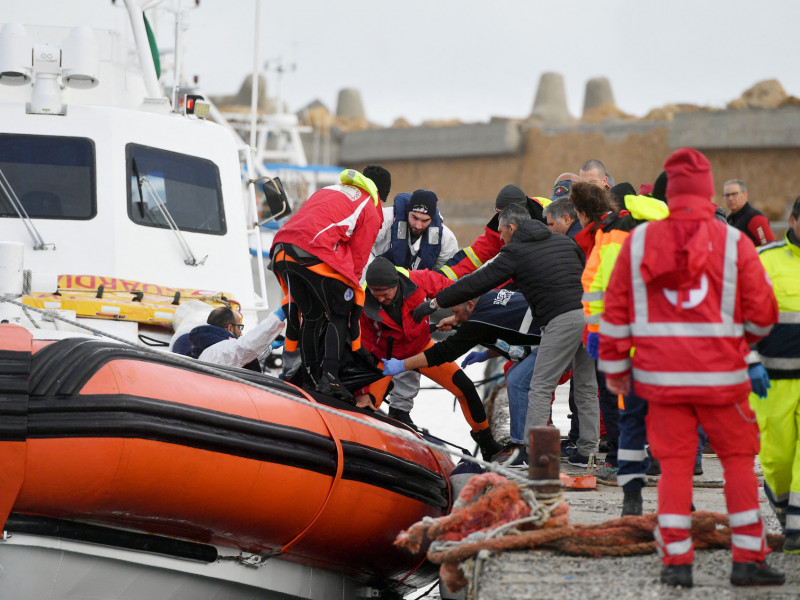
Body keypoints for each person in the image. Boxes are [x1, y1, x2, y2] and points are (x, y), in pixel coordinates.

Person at [598, 147, 783, 587]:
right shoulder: (735, 241)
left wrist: (617, 369)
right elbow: (762, 315)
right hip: (724, 379)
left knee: (674, 469)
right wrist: (743, 343)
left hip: (662, 382)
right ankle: (746, 561)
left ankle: (676, 564)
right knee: (739, 464)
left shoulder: (639, 241)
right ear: (706, 191)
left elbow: (615, 312)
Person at [413, 204, 600, 465]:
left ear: (512, 228)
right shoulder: (562, 241)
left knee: (539, 389)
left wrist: (435, 303)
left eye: (501, 232)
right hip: (590, 316)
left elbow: (477, 283)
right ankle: (587, 453)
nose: (500, 238)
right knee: (586, 388)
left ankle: (538, 459)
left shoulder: (515, 252)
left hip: (561, 320)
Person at [359, 258, 503, 460]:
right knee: (365, 405)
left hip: (421, 350)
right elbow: (364, 345)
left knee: (465, 388)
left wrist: (457, 317)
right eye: (376, 295)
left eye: (385, 294)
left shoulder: (420, 280)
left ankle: (487, 444)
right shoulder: (364, 305)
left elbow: (456, 291)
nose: (380, 299)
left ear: (397, 285)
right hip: (386, 360)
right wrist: (364, 390)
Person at [270, 165, 391, 402]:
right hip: (310, 251)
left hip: (281, 250)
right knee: (339, 312)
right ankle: (330, 379)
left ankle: (309, 377)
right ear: (381, 193)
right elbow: (358, 259)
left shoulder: (332, 190)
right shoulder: (370, 207)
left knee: (313, 315)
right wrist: (351, 293)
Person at [384, 286, 542, 465]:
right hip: (551, 329)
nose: (455, 316)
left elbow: (445, 351)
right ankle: (521, 442)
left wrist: (401, 365)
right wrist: (480, 346)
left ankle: (519, 447)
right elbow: (504, 332)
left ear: (469, 305)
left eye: (456, 312)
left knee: (516, 380)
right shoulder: (489, 298)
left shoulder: (480, 321)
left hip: (555, 337)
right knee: (515, 375)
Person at [579, 185, 669, 492]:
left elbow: (603, 285)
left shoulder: (614, 233)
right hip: (659, 330)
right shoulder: (656, 224)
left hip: (624, 333)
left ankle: (626, 470)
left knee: (625, 404)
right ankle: (661, 462)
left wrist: (596, 333)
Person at [750, 195, 800, 553]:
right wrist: (749, 359)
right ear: (794, 221)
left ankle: (797, 534)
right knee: (778, 461)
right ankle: (786, 516)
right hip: (773, 383)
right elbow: (741, 316)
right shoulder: (765, 261)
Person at [438, 184, 546, 281]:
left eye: (504, 214)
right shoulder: (498, 229)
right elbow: (474, 255)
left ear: (524, 210)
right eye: (498, 213)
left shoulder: (550, 219)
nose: (500, 219)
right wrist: (437, 279)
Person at [371, 189, 459, 271]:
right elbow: (362, 251)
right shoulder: (383, 219)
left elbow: (443, 276)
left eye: (425, 220)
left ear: (432, 219)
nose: (418, 226)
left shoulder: (446, 239)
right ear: (407, 212)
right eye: (414, 217)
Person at [180, 305, 286, 370]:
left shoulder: (213, 351)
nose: (240, 332)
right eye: (239, 327)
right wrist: (277, 317)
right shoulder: (219, 350)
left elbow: (240, 359)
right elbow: (245, 348)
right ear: (229, 328)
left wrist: (269, 346)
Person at [723, 179, 775, 247]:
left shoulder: (755, 219)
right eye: (727, 195)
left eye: (734, 194)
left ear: (745, 194)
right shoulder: (729, 219)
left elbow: (770, 247)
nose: (730, 198)